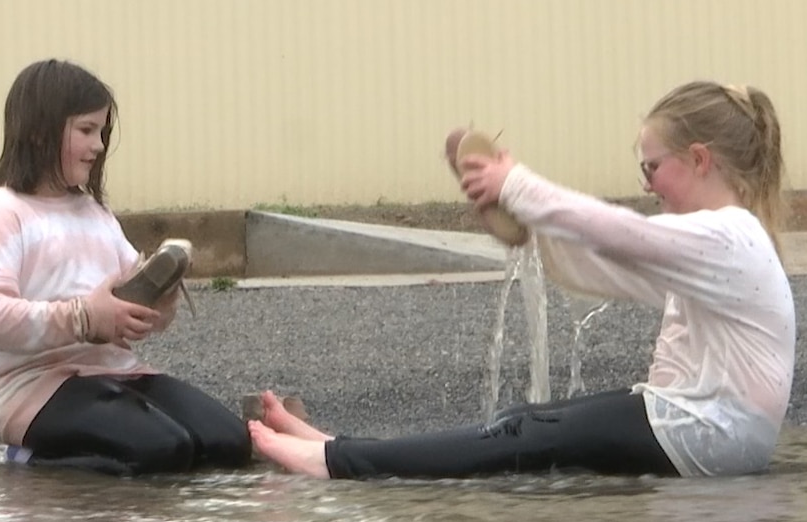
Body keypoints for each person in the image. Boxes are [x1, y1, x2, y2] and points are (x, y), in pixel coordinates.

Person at [248, 80, 795, 479]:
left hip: (707, 435)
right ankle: (338, 446)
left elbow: (621, 234)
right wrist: (532, 228)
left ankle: (332, 464)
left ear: (699, 159)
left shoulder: (731, 236)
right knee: (521, 420)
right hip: (706, 431)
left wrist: (517, 184)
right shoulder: (720, 242)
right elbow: (604, 265)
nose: (647, 184)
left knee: (522, 436)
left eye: (650, 168)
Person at [0, 59, 251, 476]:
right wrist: (83, 318)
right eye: (86, 130)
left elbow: (131, 302)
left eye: (101, 131)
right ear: (40, 131)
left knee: (228, 444)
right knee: (164, 450)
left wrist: (158, 297)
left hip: (114, 372)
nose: (98, 145)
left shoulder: (95, 212)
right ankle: (33, 461)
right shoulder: (2, 212)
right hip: (33, 386)